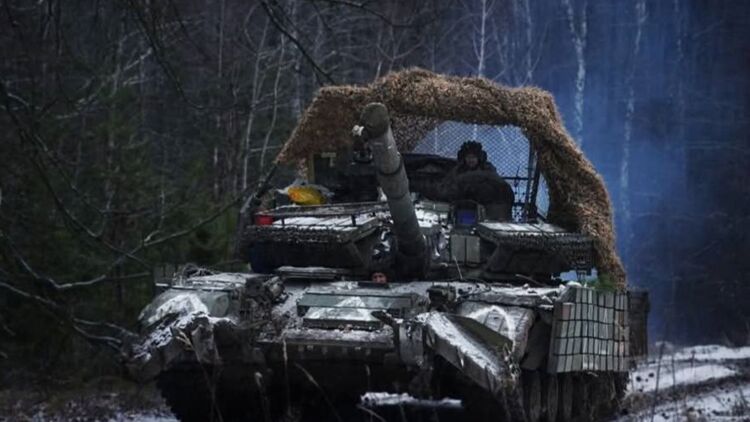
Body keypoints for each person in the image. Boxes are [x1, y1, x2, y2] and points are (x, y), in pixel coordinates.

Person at [444, 141, 514, 221]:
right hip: (463, 205)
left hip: (486, 203)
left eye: (473, 157)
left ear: (479, 158)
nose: (471, 160)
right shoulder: (459, 170)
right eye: (468, 157)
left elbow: (495, 184)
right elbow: (451, 186)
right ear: (464, 158)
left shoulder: (487, 169)